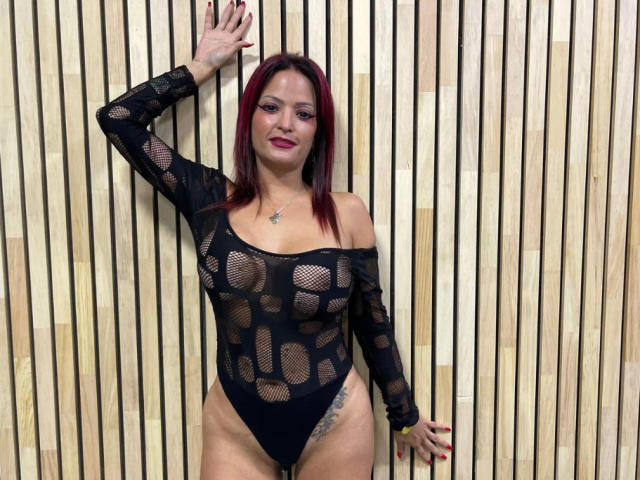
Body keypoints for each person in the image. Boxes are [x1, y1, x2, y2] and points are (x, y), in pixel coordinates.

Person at [96, 1, 452, 478]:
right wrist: (200, 67)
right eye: (270, 107)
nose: (285, 123)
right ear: (249, 118)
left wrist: (404, 415)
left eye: (303, 114)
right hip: (235, 425)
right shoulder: (207, 198)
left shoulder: (347, 212)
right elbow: (118, 118)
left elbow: (371, 320)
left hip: (335, 420)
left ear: (317, 131)